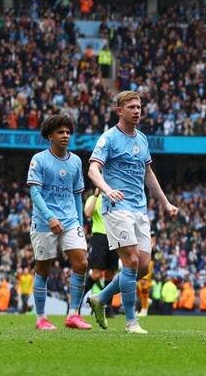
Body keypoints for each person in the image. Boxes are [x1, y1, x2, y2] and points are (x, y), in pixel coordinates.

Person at [87, 91, 179, 335]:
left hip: (139, 209)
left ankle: (101, 298)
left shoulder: (142, 139)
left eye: (139, 106)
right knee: (131, 260)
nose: (136, 110)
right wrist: (106, 190)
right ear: (120, 110)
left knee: (144, 267)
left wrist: (166, 203)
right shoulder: (108, 139)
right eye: (131, 107)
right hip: (116, 208)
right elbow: (93, 170)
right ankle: (131, 322)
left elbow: (149, 174)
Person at [26, 113, 92, 331]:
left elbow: (76, 195)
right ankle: (41, 318)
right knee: (43, 269)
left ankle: (73, 314)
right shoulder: (39, 159)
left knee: (81, 262)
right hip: (45, 222)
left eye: (67, 132)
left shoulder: (75, 161)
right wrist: (50, 217)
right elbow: (35, 194)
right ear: (50, 136)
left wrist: (81, 223)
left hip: (70, 220)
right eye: (60, 132)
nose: (65, 136)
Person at [84, 188, 118, 312]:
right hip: (100, 236)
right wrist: (96, 194)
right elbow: (88, 213)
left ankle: (107, 307)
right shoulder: (93, 198)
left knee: (111, 273)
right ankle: (77, 302)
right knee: (96, 274)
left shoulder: (116, 196)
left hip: (115, 236)